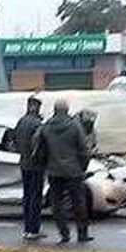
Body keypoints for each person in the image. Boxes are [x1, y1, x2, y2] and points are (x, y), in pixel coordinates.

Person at [39, 99, 93, 244]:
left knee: (57, 204)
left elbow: (41, 150)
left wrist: (46, 165)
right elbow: (83, 149)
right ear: (67, 110)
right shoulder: (75, 126)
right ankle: (82, 233)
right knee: (79, 202)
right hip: (74, 170)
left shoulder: (47, 127)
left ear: (55, 110)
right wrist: (82, 167)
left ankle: (64, 233)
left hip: (54, 171)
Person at [13, 96, 46, 241]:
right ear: (36, 107)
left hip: (24, 163)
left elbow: (13, 141)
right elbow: (41, 145)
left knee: (27, 196)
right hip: (36, 165)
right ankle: (34, 229)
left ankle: (27, 228)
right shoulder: (37, 123)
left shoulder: (20, 122)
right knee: (35, 197)